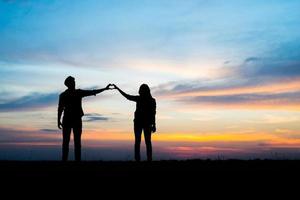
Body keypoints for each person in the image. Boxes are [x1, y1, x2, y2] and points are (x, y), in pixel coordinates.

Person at [57, 76, 112, 161]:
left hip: (74, 119)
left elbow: (92, 92)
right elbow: (60, 108)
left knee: (75, 142)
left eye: (74, 81)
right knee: (67, 142)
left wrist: (105, 88)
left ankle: (75, 160)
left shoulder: (72, 93)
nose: (74, 83)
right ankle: (66, 160)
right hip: (70, 119)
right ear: (68, 84)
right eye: (72, 82)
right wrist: (58, 120)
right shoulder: (66, 95)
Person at [113, 84, 156, 161]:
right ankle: (146, 160)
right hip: (142, 123)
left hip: (141, 123)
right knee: (146, 142)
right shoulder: (151, 100)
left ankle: (141, 160)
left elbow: (153, 113)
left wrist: (154, 124)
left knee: (140, 142)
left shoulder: (144, 99)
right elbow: (153, 114)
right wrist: (154, 125)